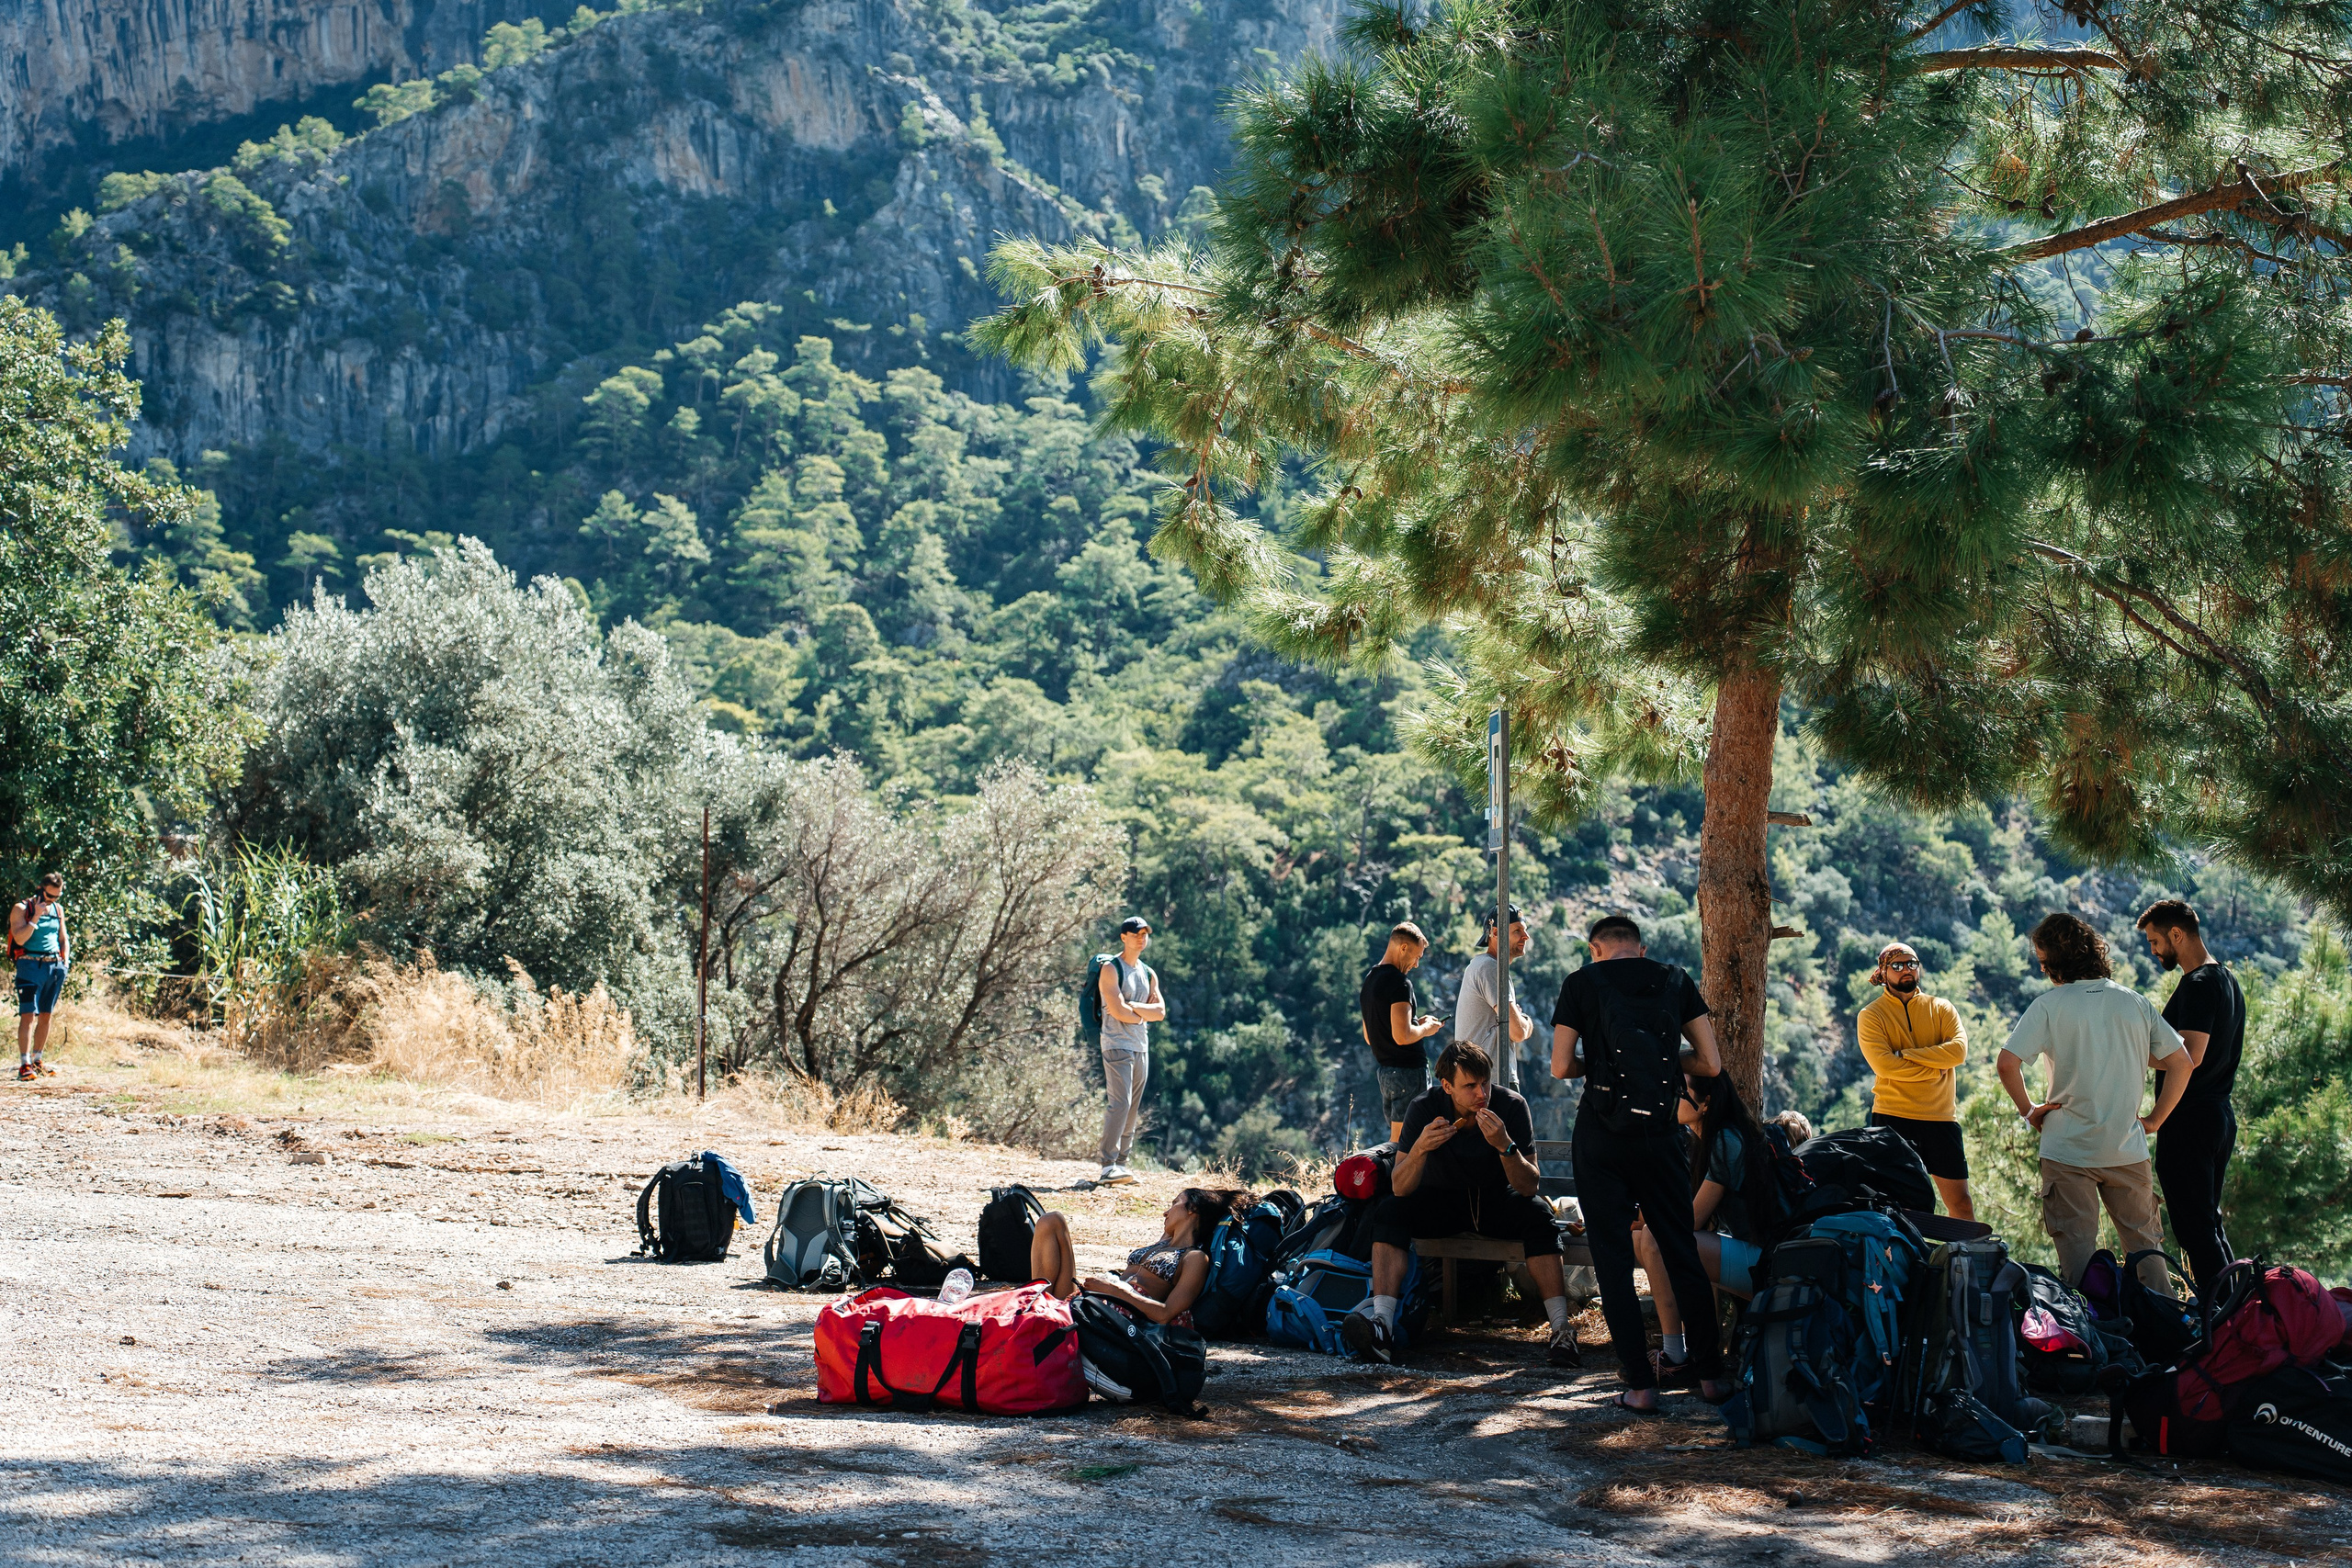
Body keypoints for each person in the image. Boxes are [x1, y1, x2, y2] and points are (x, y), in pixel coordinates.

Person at [1552, 913, 1730, 1410]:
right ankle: (1711, 1378)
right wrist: (1666, 1063)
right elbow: (1711, 1063)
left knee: (1612, 1259)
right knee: (1681, 1251)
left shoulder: (1581, 983)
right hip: (1661, 1135)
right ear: (1641, 948)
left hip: (1601, 1136)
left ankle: (1640, 1385)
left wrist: (1599, 1065)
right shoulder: (1675, 980)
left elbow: (1561, 1065)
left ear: (1596, 949)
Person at [1340, 1041, 1580, 1367]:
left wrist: (1505, 1146)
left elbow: (1529, 1186)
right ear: (1447, 1086)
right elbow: (1399, 1187)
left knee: (1539, 1213)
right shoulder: (1424, 1107)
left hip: (1495, 1201)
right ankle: (1382, 1324)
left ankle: (1561, 1329)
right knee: (1390, 1211)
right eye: (1470, 1086)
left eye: (1485, 1082)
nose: (1482, 1093)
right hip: (1442, 1202)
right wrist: (1420, 1149)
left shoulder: (1511, 1105)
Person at [1998, 911, 2193, 1294]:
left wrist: (2029, 1111)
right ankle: (2165, 1323)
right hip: (2126, 1147)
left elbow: (2007, 1063)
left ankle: (2089, 1329)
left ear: (2056, 960)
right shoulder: (2134, 1002)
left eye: (2043, 961)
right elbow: (2182, 1062)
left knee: (2078, 1263)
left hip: (2067, 1149)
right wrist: (2154, 1120)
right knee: (2147, 1254)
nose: (2042, 968)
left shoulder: (2049, 1005)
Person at [1631, 1068, 1778, 1385]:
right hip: (1752, 1255)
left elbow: (1691, 1222)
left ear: (1706, 1103)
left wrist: (1650, 1213)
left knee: (1656, 1238)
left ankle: (1676, 1357)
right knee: (1643, 1236)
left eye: (1680, 1092)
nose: (1671, 1098)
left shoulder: (1727, 1140)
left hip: (1768, 1265)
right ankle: (1683, 1351)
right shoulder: (1705, 1141)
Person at [2136, 898, 2245, 1296]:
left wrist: (2133, 1056)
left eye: (2155, 941)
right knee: (2207, 1225)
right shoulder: (2227, 980)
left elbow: (2189, 1057)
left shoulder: (2199, 983)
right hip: (2218, 1117)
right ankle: (2237, 1310)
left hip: (2191, 1122)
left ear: (2177, 934)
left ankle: (2224, 1318)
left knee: (2195, 1231)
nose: (2153, 951)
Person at [1856, 941, 1974, 1220]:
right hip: (1893, 1118)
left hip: (1941, 1117)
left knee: (1961, 1204)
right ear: (1883, 972)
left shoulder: (1942, 1008)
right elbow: (1885, 1066)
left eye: (1912, 963)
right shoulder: (1871, 1015)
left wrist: (1906, 1054)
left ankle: (1970, 1250)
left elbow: (1958, 1052)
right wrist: (1934, 1070)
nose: (1906, 969)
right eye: (1897, 965)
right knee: (1900, 1205)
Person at [1027, 1186, 1250, 1325]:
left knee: (1045, 1316)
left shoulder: (1195, 1258)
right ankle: (1033, 1303)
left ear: (1192, 1209)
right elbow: (1177, 1229)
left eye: (1175, 1203)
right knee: (1051, 1220)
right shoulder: (1164, 1242)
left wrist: (1115, 1291)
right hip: (1091, 1300)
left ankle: (1035, 1316)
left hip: (1113, 1316)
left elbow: (1165, 1314)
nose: (1166, 1212)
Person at [1362, 922, 1447, 1142]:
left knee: (1400, 1140)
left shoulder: (1370, 981)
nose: (1416, 964)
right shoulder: (1400, 983)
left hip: (1386, 1075)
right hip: (1409, 1074)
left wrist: (1416, 1022)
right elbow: (1403, 1036)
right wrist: (1426, 1029)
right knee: (1409, 1143)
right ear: (1403, 948)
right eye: (1416, 957)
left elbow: (1370, 1035)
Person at [1096, 915, 1165, 1186]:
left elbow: (1160, 1012)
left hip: (1140, 1046)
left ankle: (1121, 1165)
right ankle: (1107, 1165)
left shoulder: (1148, 973)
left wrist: (1133, 1007)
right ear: (1123, 937)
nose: (1141, 938)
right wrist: (1143, 1012)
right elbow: (1117, 1010)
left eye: (1145, 934)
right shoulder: (1111, 969)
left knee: (1132, 1107)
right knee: (1120, 1103)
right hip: (1116, 1044)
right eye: (1136, 934)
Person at [1454, 906, 1534, 1090]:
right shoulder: (1490, 968)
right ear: (1495, 933)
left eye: (1525, 930)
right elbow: (1518, 1031)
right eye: (1517, 931)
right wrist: (1526, 1021)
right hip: (1493, 1080)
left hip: (1481, 1079)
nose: (1526, 936)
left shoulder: (1481, 966)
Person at [12, 873, 67, 1082]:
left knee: (46, 1015)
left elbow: (63, 937)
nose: (53, 900)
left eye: (57, 896)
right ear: (40, 889)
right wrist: (35, 917)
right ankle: (24, 1064)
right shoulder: (21, 909)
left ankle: (37, 1060)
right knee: (28, 1015)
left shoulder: (58, 910)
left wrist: (65, 962)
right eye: (50, 896)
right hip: (29, 966)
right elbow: (19, 938)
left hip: (54, 967)